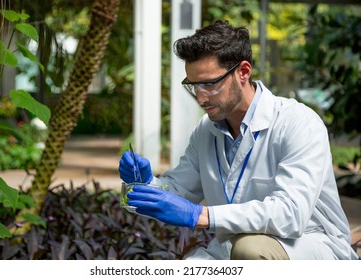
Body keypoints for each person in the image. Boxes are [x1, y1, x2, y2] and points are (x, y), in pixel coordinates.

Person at [118, 20, 358, 260]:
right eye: (193, 86)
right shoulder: (206, 130)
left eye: (210, 84)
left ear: (243, 71)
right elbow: (178, 194)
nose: (201, 98)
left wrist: (199, 215)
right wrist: (143, 185)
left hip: (308, 246)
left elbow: (290, 214)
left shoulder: (298, 122)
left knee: (250, 250)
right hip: (232, 249)